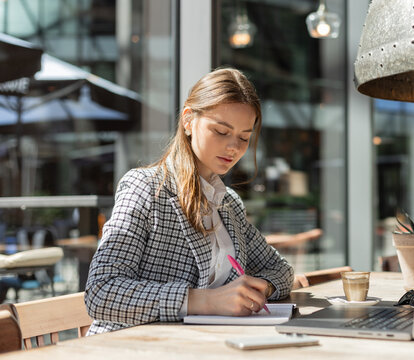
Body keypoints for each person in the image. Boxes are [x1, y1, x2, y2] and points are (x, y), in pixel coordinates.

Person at [84, 68, 294, 335]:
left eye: (244, 137)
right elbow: (102, 293)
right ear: (188, 121)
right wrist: (205, 301)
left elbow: (281, 270)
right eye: (221, 131)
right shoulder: (146, 188)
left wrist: (258, 289)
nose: (234, 147)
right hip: (133, 348)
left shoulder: (228, 205)